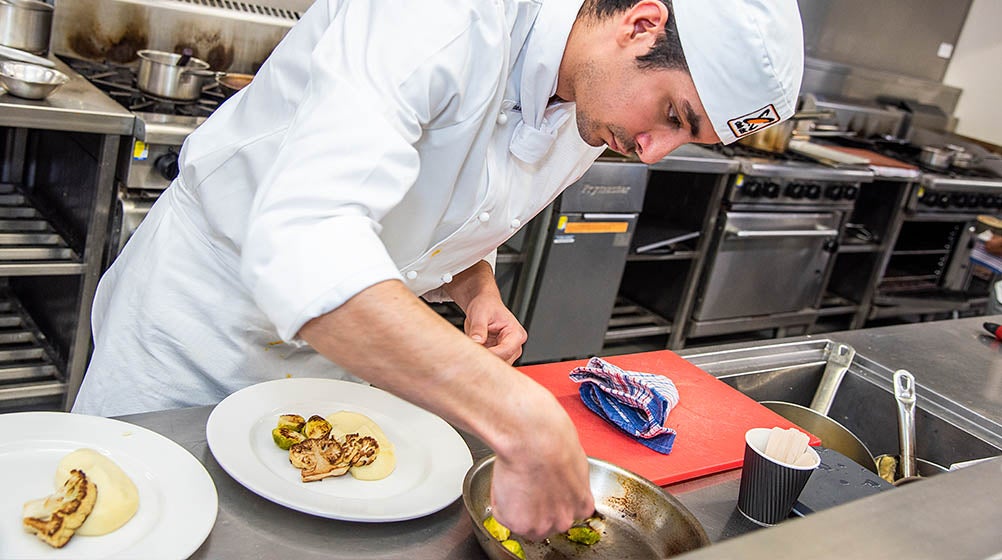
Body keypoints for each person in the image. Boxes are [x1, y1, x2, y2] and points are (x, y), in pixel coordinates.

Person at [73, 0, 804, 538]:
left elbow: (446, 189)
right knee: (119, 524)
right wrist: (520, 417)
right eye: (674, 114)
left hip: (348, 354)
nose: (653, 152)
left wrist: (473, 280)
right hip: (198, 321)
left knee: (279, 539)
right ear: (640, 24)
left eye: (687, 136)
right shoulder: (441, 14)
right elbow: (306, 234)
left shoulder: (595, 99)